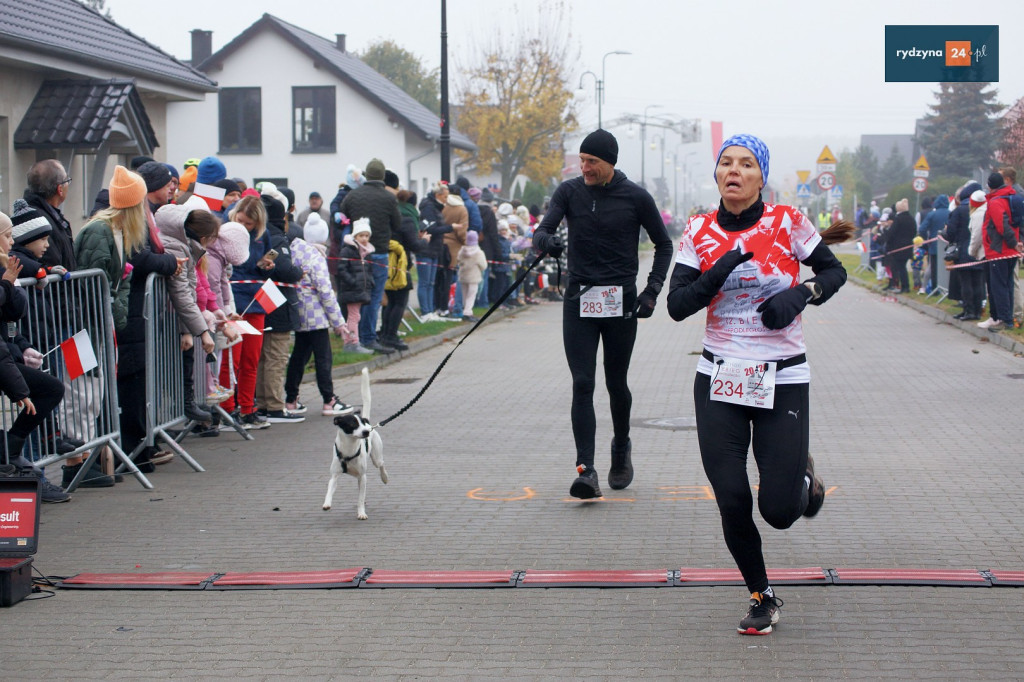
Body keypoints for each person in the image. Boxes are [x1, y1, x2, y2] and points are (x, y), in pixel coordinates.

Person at [666, 134, 850, 635]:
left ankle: (803, 487)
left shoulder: (788, 222)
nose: (735, 171)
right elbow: (677, 304)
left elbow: (835, 272)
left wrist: (802, 294)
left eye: (746, 164)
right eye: (726, 162)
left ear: (760, 176)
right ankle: (762, 594)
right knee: (730, 496)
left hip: (783, 375)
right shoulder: (699, 230)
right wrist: (718, 270)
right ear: (717, 174)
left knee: (778, 512)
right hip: (720, 377)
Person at [532, 129, 673, 499]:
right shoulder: (569, 192)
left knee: (615, 383)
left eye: (592, 162)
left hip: (620, 301)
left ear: (610, 162)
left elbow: (664, 244)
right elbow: (542, 230)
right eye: (582, 161)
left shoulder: (636, 197)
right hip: (580, 298)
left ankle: (622, 446)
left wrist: (652, 290)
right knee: (582, 383)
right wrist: (548, 241)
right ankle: (586, 470)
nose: (585, 168)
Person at [75, 165, 179, 473]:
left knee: (109, 391)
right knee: (89, 396)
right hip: (99, 325)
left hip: (115, 323)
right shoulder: (100, 231)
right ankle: (90, 462)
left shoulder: (120, 231)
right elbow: (94, 284)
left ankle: (113, 456)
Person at [0, 210, 71, 503]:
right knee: (47, 388)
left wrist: (10, 282)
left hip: (8, 352)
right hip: (4, 355)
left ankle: (11, 450)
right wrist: (6, 283)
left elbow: (14, 312)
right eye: (6, 236)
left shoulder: (7, 265)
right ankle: (11, 455)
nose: (10, 241)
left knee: (50, 387)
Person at [284, 223, 355, 417]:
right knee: (323, 357)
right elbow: (325, 290)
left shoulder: (288, 249)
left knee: (299, 356)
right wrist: (338, 322)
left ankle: (291, 399)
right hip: (315, 314)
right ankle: (329, 399)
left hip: (296, 310)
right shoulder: (313, 254)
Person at [339, 159, 400, 353]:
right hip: (379, 252)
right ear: (382, 176)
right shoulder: (389, 198)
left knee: (358, 297)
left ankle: (356, 337)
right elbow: (397, 224)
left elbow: (343, 215)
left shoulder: (352, 196)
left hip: (356, 253)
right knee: (373, 298)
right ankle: (368, 338)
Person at [977, 172, 1023, 331]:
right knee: (1008, 284)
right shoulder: (1011, 197)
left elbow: (1001, 225)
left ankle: (1004, 320)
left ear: (990, 185)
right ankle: (1007, 318)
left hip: (999, 250)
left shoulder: (996, 202)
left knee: (999, 286)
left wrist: (1013, 243)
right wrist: (1018, 242)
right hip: (1009, 250)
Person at [336, 218, 375, 354]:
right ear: (355, 236)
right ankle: (353, 342)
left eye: (366, 235)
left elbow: (368, 270)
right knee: (353, 316)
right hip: (351, 290)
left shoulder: (366, 252)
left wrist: (370, 282)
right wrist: (353, 282)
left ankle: (349, 340)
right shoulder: (348, 251)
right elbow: (342, 269)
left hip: (360, 290)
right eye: (361, 235)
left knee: (355, 316)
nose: (364, 239)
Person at [884, 199, 915, 293]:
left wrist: (886, 231)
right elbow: (914, 231)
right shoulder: (911, 218)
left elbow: (891, 233)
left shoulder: (898, 219)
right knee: (903, 266)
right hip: (908, 245)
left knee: (900, 267)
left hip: (897, 247)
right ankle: (905, 286)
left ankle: (904, 286)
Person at [457, 230, 487, 323]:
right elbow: (483, 265)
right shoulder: (478, 252)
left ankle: (465, 310)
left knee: (465, 294)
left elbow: (459, 260)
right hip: (474, 276)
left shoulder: (462, 250)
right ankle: (468, 312)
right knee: (471, 295)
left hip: (463, 275)